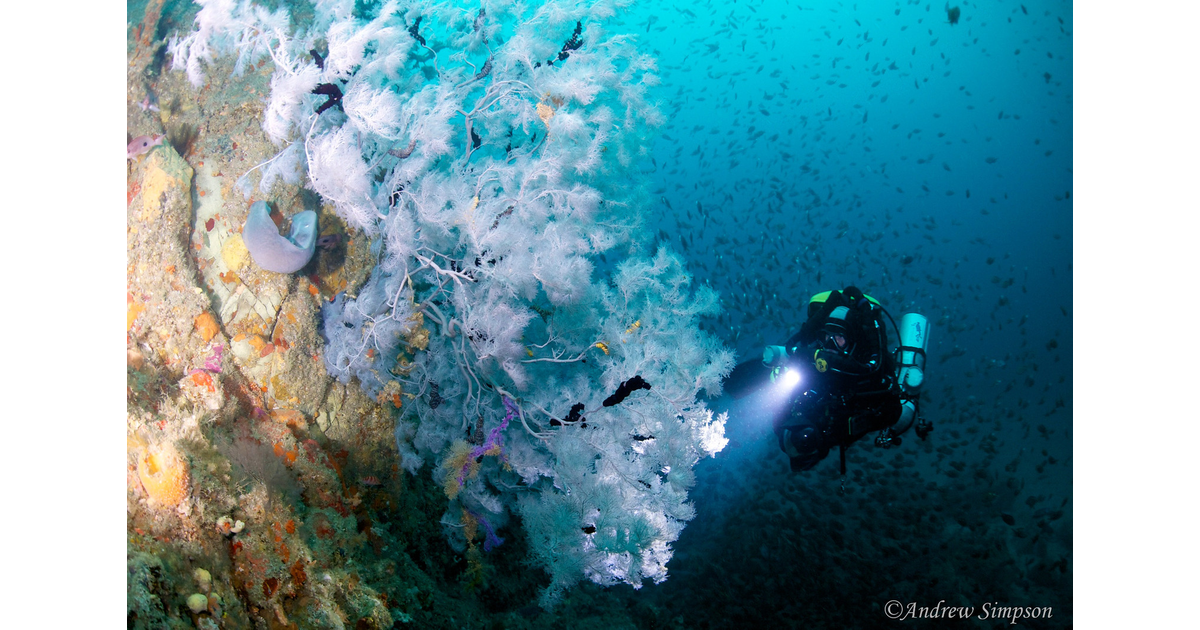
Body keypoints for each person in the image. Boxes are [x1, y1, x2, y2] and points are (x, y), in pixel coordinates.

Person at [728, 286, 931, 472]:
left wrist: (841, 429)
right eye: (827, 337)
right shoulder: (814, 362)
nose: (831, 343)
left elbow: (891, 412)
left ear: (852, 342)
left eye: (839, 338)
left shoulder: (868, 373)